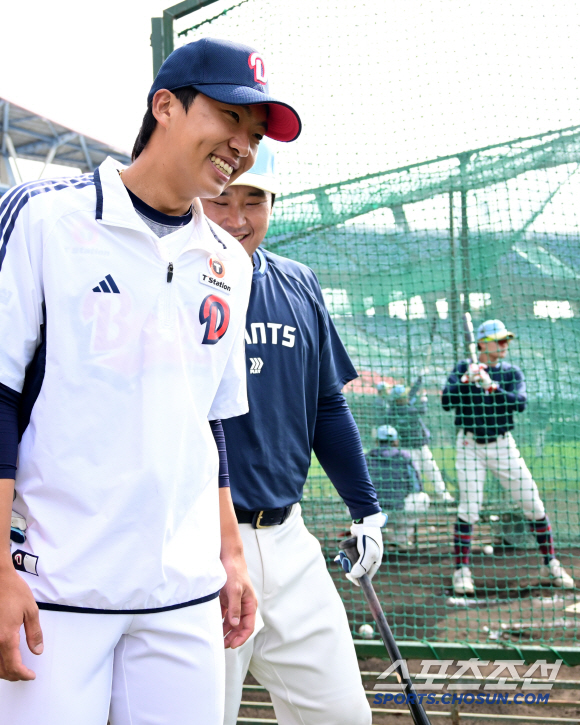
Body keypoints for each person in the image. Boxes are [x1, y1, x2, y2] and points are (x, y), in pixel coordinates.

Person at [0, 38, 301, 725]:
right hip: (56, 595)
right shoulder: (43, 214)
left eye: (254, 135)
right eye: (230, 119)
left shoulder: (229, 262)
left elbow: (207, 422)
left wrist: (230, 556)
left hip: (183, 600)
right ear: (165, 106)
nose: (242, 146)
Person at [202, 143, 382, 725]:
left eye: (254, 200)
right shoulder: (168, 276)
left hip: (290, 540)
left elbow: (327, 404)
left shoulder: (298, 283)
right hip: (200, 546)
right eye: (220, 199)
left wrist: (366, 510)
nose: (236, 218)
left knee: (342, 715)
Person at [442, 319, 574, 595]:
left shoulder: (511, 372)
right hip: (469, 445)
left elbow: (520, 403)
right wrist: (467, 381)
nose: (504, 346)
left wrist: (491, 386)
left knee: (533, 503)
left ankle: (551, 563)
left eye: (505, 341)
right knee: (469, 508)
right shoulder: (463, 368)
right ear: (482, 343)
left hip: (503, 445)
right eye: (498, 341)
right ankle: (462, 571)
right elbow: (446, 401)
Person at [365, 425, 430, 548]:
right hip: (400, 511)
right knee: (422, 498)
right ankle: (401, 537)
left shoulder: (366, 458)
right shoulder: (404, 457)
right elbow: (416, 486)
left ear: (377, 441)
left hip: (372, 513)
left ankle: (377, 537)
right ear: (395, 441)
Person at [387, 384, 453, 503]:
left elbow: (410, 395)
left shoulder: (393, 409)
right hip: (412, 448)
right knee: (421, 472)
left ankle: (437, 495)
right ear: (400, 398)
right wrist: (423, 399)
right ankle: (428, 496)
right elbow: (422, 409)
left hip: (413, 447)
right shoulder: (407, 409)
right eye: (404, 396)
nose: (407, 396)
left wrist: (419, 381)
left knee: (427, 471)